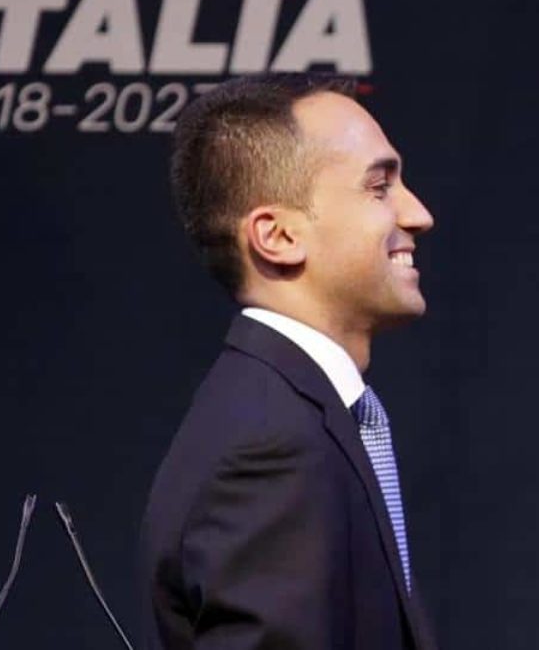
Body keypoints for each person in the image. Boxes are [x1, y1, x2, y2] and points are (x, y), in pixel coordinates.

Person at [140, 74, 437, 649]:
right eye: (379, 187)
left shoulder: (293, 419)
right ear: (276, 236)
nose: (418, 214)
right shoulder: (270, 451)